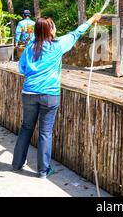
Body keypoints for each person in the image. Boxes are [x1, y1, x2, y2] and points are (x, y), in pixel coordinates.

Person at [12, 13, 102, 178]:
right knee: (45, 132)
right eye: (53, 26)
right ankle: (43, 171)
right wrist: (92, 20)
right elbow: (76, 33)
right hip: (49, 95)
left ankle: (17, 164)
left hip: (29, 93)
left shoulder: (29, 47)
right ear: (50, 31)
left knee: (26, 128)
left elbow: (22, 69)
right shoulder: (58, 46)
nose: (55, 28)